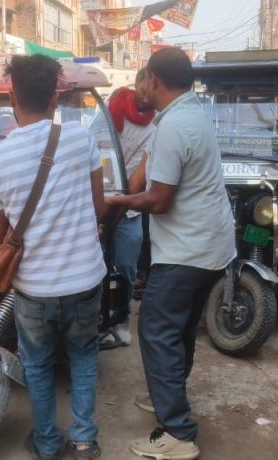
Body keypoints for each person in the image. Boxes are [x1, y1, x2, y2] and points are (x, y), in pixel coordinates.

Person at [0, 55, 107, 460]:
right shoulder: (81, 138)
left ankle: (47, 443)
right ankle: (84, 441)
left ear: (12, 98)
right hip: (86, 280)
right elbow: (99, 207)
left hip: (35, 290)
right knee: (83, 357)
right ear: (54, 97)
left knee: (37, 365)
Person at [105, 48, 236, 460]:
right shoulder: (191, 114)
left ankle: (178, 432)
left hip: (187, 251)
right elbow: (152, 179)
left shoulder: (174, 125)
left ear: (154, 81)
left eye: (143, 79)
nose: (140, 86)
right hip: (212, 246)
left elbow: (159, 200)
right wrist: (126, 196)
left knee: (156, 330)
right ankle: (168, 396)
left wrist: (118, 201)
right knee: (179, 330)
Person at [99, 69, 156, 350]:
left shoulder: (155, 126)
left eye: (150, 93)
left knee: (125, 266)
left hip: (129, 210)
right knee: (97, 266)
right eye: (142, 92)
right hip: (99, 203)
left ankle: (120, 319)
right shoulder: (109, 110)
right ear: (137, 83)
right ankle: (98, 320)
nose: (146, 98)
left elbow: (138, 179)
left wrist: (119, 208)